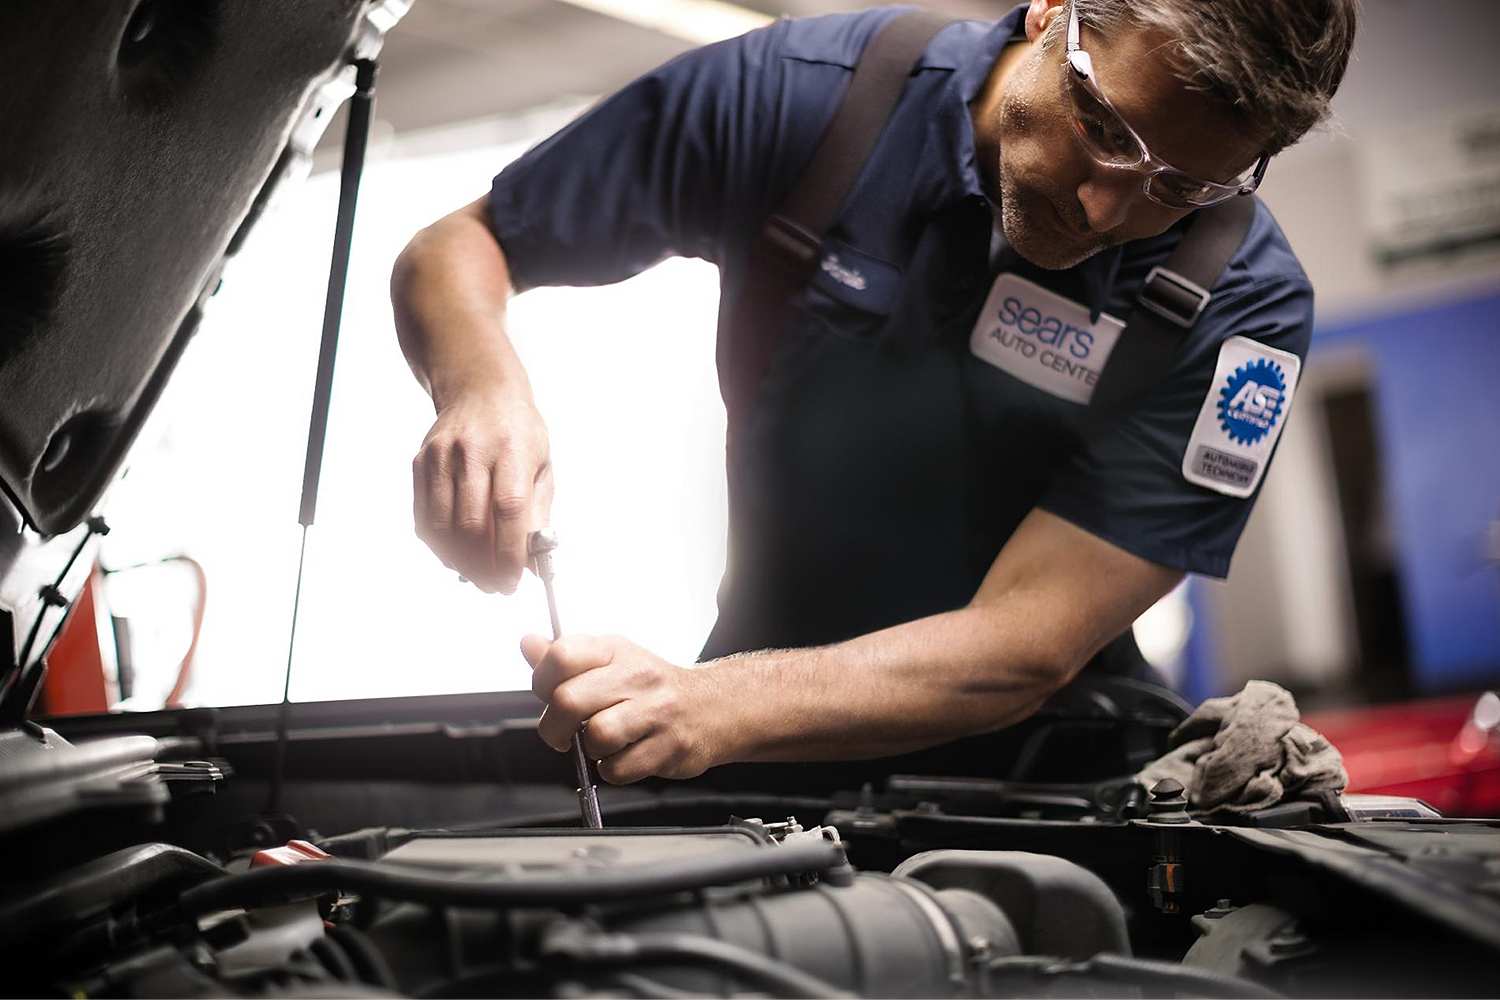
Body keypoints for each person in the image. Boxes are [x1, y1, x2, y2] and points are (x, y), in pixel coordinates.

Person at [390, 0, 1357, 785]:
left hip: (1048, 773)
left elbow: (1026, 642)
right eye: (1102, 127)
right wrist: (481, 392)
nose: (1108, 207)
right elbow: (461, 246)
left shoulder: (1243, 310)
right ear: (1053, 12)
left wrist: (717, 704)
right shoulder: (804, 100)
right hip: (749, 730)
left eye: (1182, 187)